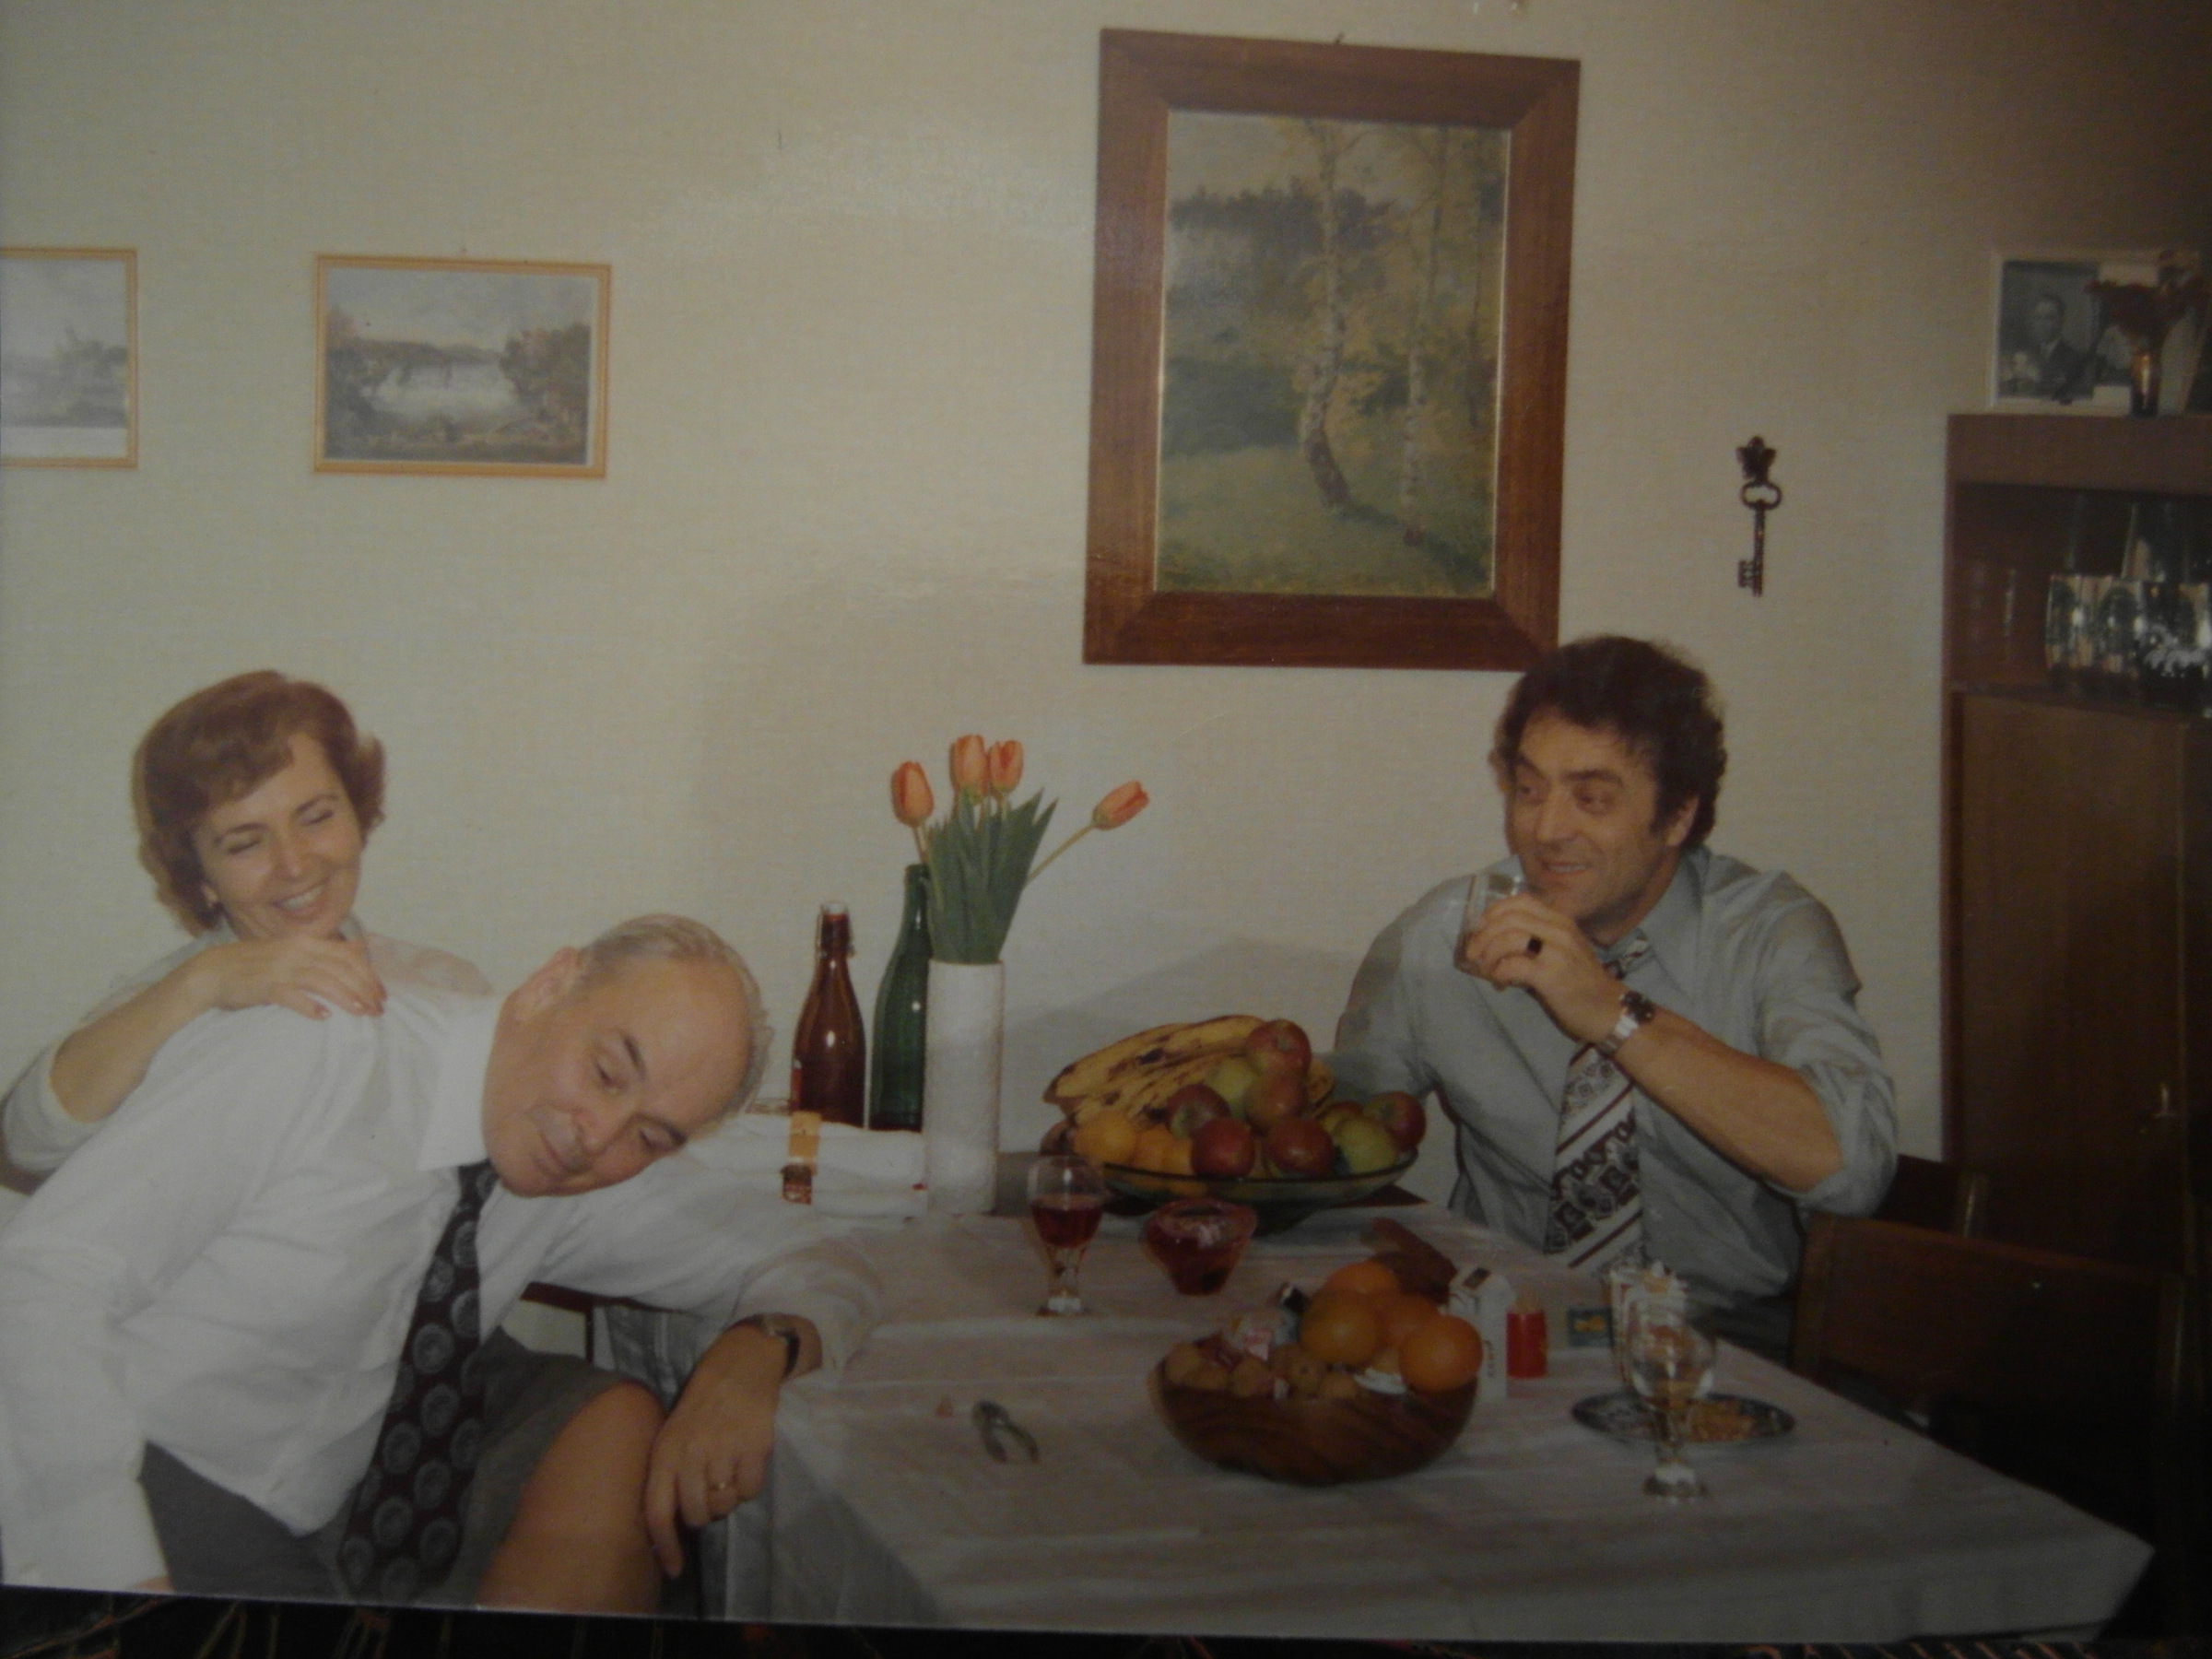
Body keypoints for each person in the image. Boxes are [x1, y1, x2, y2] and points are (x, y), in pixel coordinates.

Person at [0, 913, 880, 1608]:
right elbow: (42, 1280)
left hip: (300, 1523)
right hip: (104, 1462)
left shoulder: (572, 1172)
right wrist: (111, 1578)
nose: (597, 1138)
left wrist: (756, 1352)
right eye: (608, 1072)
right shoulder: (318, 1048)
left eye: (651, 1136)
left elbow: (826, 1255)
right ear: (550, 985)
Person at [1330, 635, 1896, 1359]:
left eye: (1592, 799)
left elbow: (1851, 1171)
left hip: (1727, 1337)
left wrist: (1611, 1013)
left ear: (1678, 815)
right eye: (1530, 790)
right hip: (1509, 1330)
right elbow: (1332, 1147)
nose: (1546, 830)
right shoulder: (1447, 934)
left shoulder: (1768, 931)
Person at [2, 670, 485, 1194]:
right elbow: (27, 1144)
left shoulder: (446, 983)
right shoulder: (170, 1002)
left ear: (357, 812)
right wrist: (202, 983)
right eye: (245, 844)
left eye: (316, 817)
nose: (294, 865)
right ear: (199, 875)